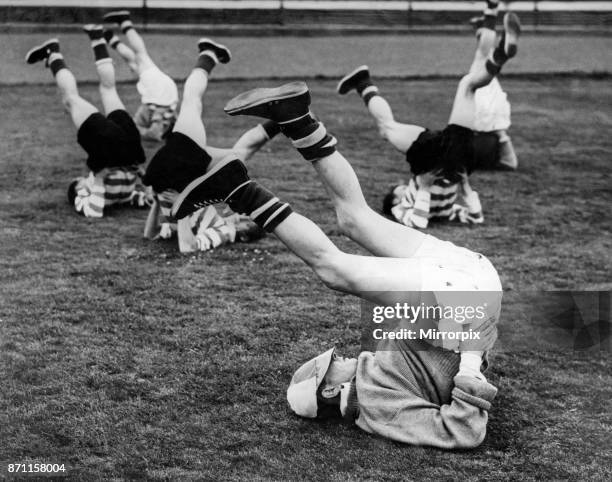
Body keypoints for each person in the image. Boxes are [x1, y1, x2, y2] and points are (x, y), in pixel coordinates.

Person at [142, 31, 518, 445]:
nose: (339, 356)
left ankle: (296, 122)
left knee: (354, 221)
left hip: (469, 291)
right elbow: (464, 430)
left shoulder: (378, 367)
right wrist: (470, 351)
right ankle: (240, 187)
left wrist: (466, 338)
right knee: (335, 265)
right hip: (470, 301)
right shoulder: (373, 404)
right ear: (330, 391)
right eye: (331, 366)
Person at [337, 5, 520, 229]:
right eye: (398, 190)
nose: (402, 186)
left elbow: (464, 218)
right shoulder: (399, 208)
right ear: (395, 199)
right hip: (448, 159)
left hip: (448, 155)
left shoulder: (440, 207)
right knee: (389, 125)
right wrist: (456, 189)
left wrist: (428, 188)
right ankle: (362, 82)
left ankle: (500, 54)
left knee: (468, 85)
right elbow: (422, 223)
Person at [140, 40, 279, 253]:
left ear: (244, 229)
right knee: (239, 155)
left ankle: (208, 55)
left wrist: (182, 206)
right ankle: (282, 120)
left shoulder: (226, 231)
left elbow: (187, 248)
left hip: (176, 173)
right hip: (168, 175)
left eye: (247, 218)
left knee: (192, 101)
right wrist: (162, 202)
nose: (243, 213)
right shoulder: (216, 219)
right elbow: (150, 235)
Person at [25, 27, 149, 218]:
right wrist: (96, 180)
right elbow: (97, 210)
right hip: (117, 150)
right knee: (81, 97)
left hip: (130, 149)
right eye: (79, 181)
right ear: (80, 189)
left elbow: (99, 210)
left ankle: (91, 41)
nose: (83, 178)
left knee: (99, 92)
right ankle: (56, 52)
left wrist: (139, 180)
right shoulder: (103, 191)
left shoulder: (115, 194)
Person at [102, 10, 179, 142]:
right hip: (160, 89)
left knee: (135, 58)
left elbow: (153, 135)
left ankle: (118, 28)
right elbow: (152, 134)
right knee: (138, 56)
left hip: (160, 90)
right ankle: (123, 23)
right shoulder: (162, 116)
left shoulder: (161, 117)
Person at [470, 2, 519, 170]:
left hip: (482, 121)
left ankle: (491, 12)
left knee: (484, 55)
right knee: (487, 57)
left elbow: (510, 164)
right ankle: (503, 49)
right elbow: (511, 165)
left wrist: (489, 14)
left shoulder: (478, 65)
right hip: (492, 114)